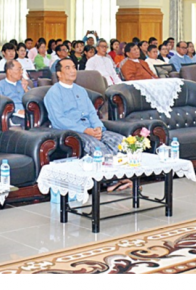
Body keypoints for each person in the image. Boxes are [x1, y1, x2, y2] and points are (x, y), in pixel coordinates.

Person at [44, 59, 131, 192]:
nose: (73, 71)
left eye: (74, 67)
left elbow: (92, 113)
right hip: (73, 131)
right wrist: (86, 130)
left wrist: (98, 128)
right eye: (68, 68)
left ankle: (123, 176)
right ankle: (112, 182)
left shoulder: (81, 90)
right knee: (97, 147)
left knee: (122, 142)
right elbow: (59, 120)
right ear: (59, 74)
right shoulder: (53, 93)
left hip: (91, 128)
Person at [0, 60, 29, 126]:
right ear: (9, 72)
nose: (21, 72)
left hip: (27, 112)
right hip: (13, 115)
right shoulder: (0, 86)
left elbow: (32, 99)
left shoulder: (22, 84)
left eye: (22, 69)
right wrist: (17, 111)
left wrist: (26, 89)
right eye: (19, 69)